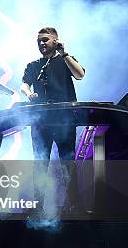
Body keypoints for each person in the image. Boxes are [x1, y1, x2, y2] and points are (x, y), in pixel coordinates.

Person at [21, 27, 85, 212]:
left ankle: (74, 204)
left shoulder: (66, 60)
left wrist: (64, 53)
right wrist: (28, 92)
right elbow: (24, 83)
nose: (41, 43)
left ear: (55, 41)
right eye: (39, 40)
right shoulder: (34, 65)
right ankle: (38, 205)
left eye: (45, 40)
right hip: (41, 121)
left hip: (64, 120)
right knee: (40, 162)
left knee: (67, 161)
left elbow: (80, 74)